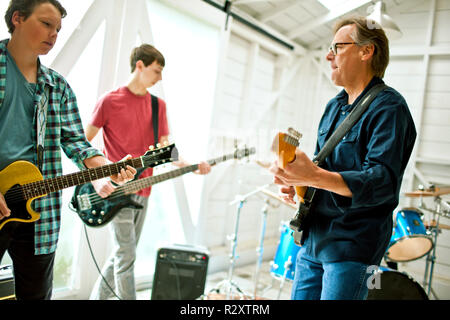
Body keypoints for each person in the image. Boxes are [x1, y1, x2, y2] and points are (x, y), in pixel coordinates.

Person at [270, 16, 417, 300]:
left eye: (337, 47)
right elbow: (323, 168)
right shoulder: (334, 106)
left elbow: (382, 182)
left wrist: (313, 176)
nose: (328, 55)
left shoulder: (390, 108)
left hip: (352, 247)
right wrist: (300, 183)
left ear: (366, 51)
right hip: (313, 239)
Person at [0, 0, 136, 300]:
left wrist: (106, 171)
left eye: (58, 29)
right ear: (18, 18)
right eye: (46, 23)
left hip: (39, 211)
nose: (54, 34)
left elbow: (76, 142)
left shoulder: (58, 86)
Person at [86, 43, 211, 300]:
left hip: (144, 189)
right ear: (139, 66)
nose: (160, 77)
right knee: (127, 255)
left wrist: (190, 165)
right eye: (157, 70)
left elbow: (166, 148)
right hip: (115, 190)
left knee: (123, 254)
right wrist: (100, 177)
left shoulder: (158, 106)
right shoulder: (109, 101)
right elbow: (84, 143)